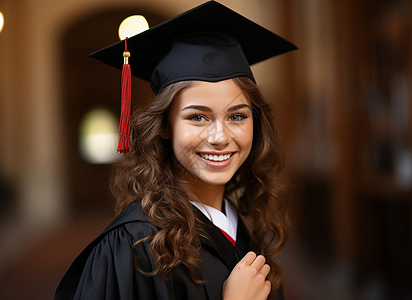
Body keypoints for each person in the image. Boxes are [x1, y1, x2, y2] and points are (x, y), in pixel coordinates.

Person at [55, 1, 296, 299]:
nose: (219, 137)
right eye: (197, 117)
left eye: (237, 116)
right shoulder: (133, 245)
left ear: (256, 123)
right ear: (165, 126)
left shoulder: (245, 222)